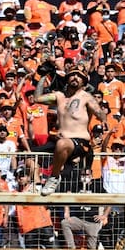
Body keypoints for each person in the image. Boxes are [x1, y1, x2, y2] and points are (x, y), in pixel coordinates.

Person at [35, 66, 101, 196]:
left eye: (80, 76)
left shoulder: (86, 97)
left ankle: (54, 177)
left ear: (84, 82)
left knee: (62, 144)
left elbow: (100, 113)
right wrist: (43, 76)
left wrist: (97, 110)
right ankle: (36, 184)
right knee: (28, 154)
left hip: (79, 141)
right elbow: (37, 98)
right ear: (67, 79)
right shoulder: (59, 96)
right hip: (60, 139)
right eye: (73, 75)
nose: (75, 77)